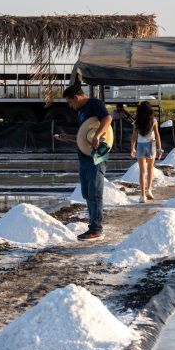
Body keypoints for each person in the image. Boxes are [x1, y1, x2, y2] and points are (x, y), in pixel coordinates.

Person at [54, 85, 112, 241]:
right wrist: (68, 137)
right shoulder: (81, 112)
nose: (70, 106)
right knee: (86, 192)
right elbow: (84, 137)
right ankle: (93, 225)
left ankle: (96, 229)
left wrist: (97, 135)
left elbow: (107, 119)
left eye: (70, 102)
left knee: (95, 192)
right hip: (84, 156)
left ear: (76, 97)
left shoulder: (94, 103)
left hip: (96, 155)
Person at [130, 101, 163, 203]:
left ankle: (143, 195)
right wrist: (159, 149)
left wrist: (132, 148)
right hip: (151, 145)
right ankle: (149, 190)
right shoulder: (153, 121)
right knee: (150, 169)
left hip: (140, 145)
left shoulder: (136, 122)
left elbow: (133, 137)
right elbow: (157, 135)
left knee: (142, 171)